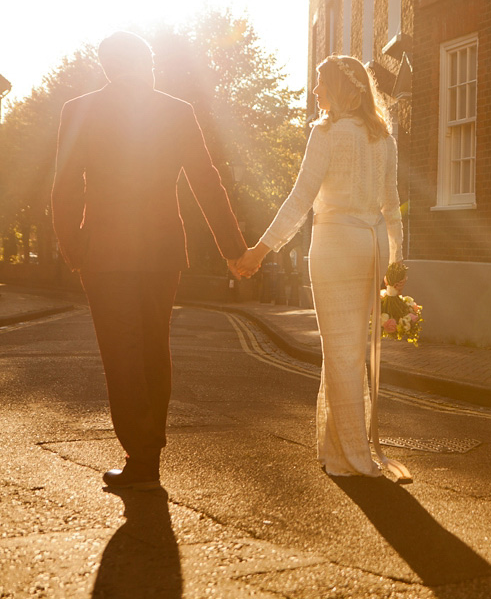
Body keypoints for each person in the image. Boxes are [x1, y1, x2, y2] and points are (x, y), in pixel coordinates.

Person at [51, 31, 247, 490]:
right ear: (146, 63)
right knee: (154, 348)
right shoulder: (177, 110)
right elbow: (206, 180)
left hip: (105, 251)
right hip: (161, 252)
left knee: (122, 353)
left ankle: (140, 457)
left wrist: (73, 247)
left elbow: (63, 187)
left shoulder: (79, 109)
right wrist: (234, 250)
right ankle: (148, 453)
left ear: (106, 66)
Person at [235, 55, 407, 479]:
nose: (316, 93)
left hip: (334, 248)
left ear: (343, 89)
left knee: (341, 353)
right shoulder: (384, 139)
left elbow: (300, 199)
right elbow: (393, 208)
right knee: (350, 353)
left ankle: (354, 459)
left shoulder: (325, 134)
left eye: (321, 85)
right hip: (370, 248)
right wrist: (397, 265)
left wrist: (260, 249)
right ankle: (339, 451)